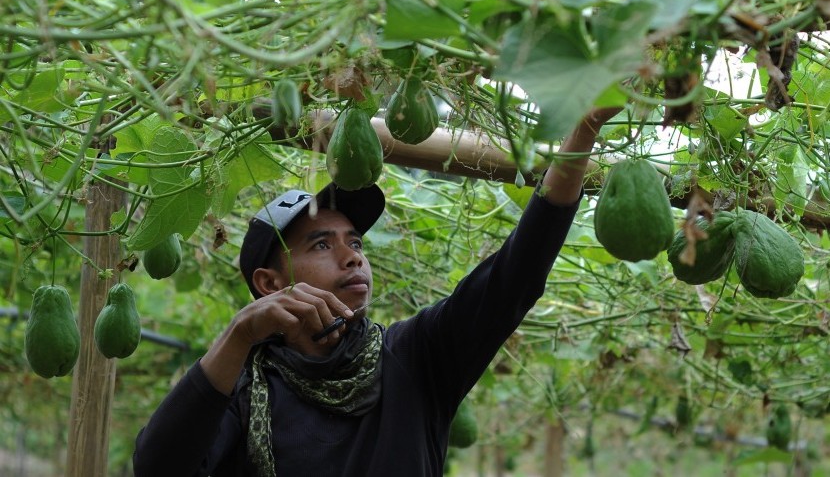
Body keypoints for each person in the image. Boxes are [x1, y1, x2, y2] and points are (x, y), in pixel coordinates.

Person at [132, 106, 622, 476]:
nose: (353, 257)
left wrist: (584, 129)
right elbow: (158, 467)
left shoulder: (416, 358)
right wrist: (239, 335)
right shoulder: (240, 392)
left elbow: (514, 275)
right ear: (270, 284)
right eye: (321, 244)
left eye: (356, 242)